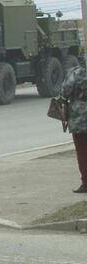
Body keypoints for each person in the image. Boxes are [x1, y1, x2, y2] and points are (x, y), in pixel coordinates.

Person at [60, 60, 87, 194]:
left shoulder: (75, 74)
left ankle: (85, 182)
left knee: (82, 152)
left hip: (79, 117)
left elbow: (65, 91)